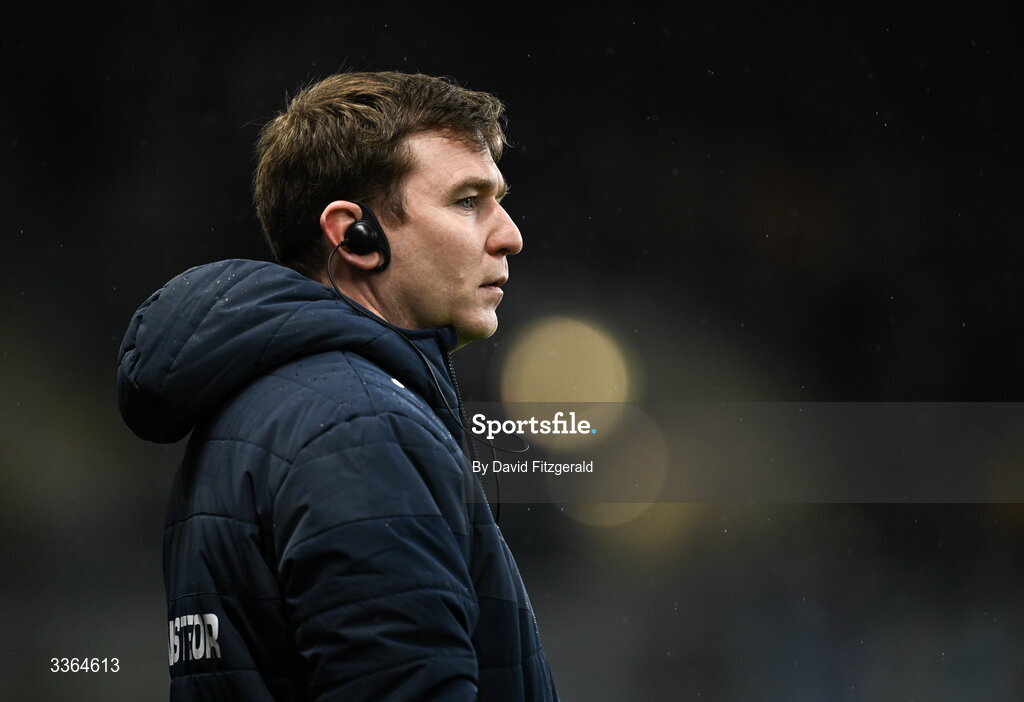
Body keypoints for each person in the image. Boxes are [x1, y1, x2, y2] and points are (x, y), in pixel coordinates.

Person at [117, 72, 559, 701]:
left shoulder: (261, 410)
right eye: (468, 201)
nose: (508, 233)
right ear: (354, 234)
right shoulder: (358, 432)